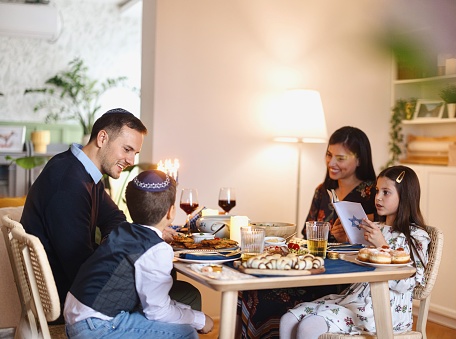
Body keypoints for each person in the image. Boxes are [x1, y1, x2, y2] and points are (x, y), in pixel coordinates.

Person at [20, 108, 200, 319]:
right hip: (71, 300)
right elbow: (77, 263)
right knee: (187, 294)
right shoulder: (69, 183)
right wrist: (126, 250)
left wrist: (116, 243)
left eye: (135, 153)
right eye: (127, 149)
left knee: (163, 276)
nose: (131, 160)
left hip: (75, 288)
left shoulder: (80, 170)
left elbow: (114, 218)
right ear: (103, 138)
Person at [238, 126, 377, 338]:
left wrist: (348, 238)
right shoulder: (322, 190)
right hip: (313, 270)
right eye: (329, 155)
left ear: (359, 160)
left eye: (340, 158)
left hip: (342, 280)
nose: (331, 163)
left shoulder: (374, 194)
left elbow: (381, 245)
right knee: (247, 291)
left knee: (265, 299)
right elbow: (306, 235)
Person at [279, 165, 431, 338]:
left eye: (386, 192)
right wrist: (345, 240)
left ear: (405, 196)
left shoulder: (417, 236)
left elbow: (410, 283)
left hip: (383, 311)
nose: (378, 198)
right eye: (377, 191)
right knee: (288, 319)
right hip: (355, 298)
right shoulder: (376, 228)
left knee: (309, 326)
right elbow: (359, 262)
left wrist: (382, 246)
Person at [64, 170, 214, 338]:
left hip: (78, 316)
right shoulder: (157, 250)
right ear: (171, 212)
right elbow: (157, 312)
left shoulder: (123, 229)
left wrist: (188, 313)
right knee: (186, 333)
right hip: (97, 327)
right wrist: (199, 319)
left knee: (184, 310)